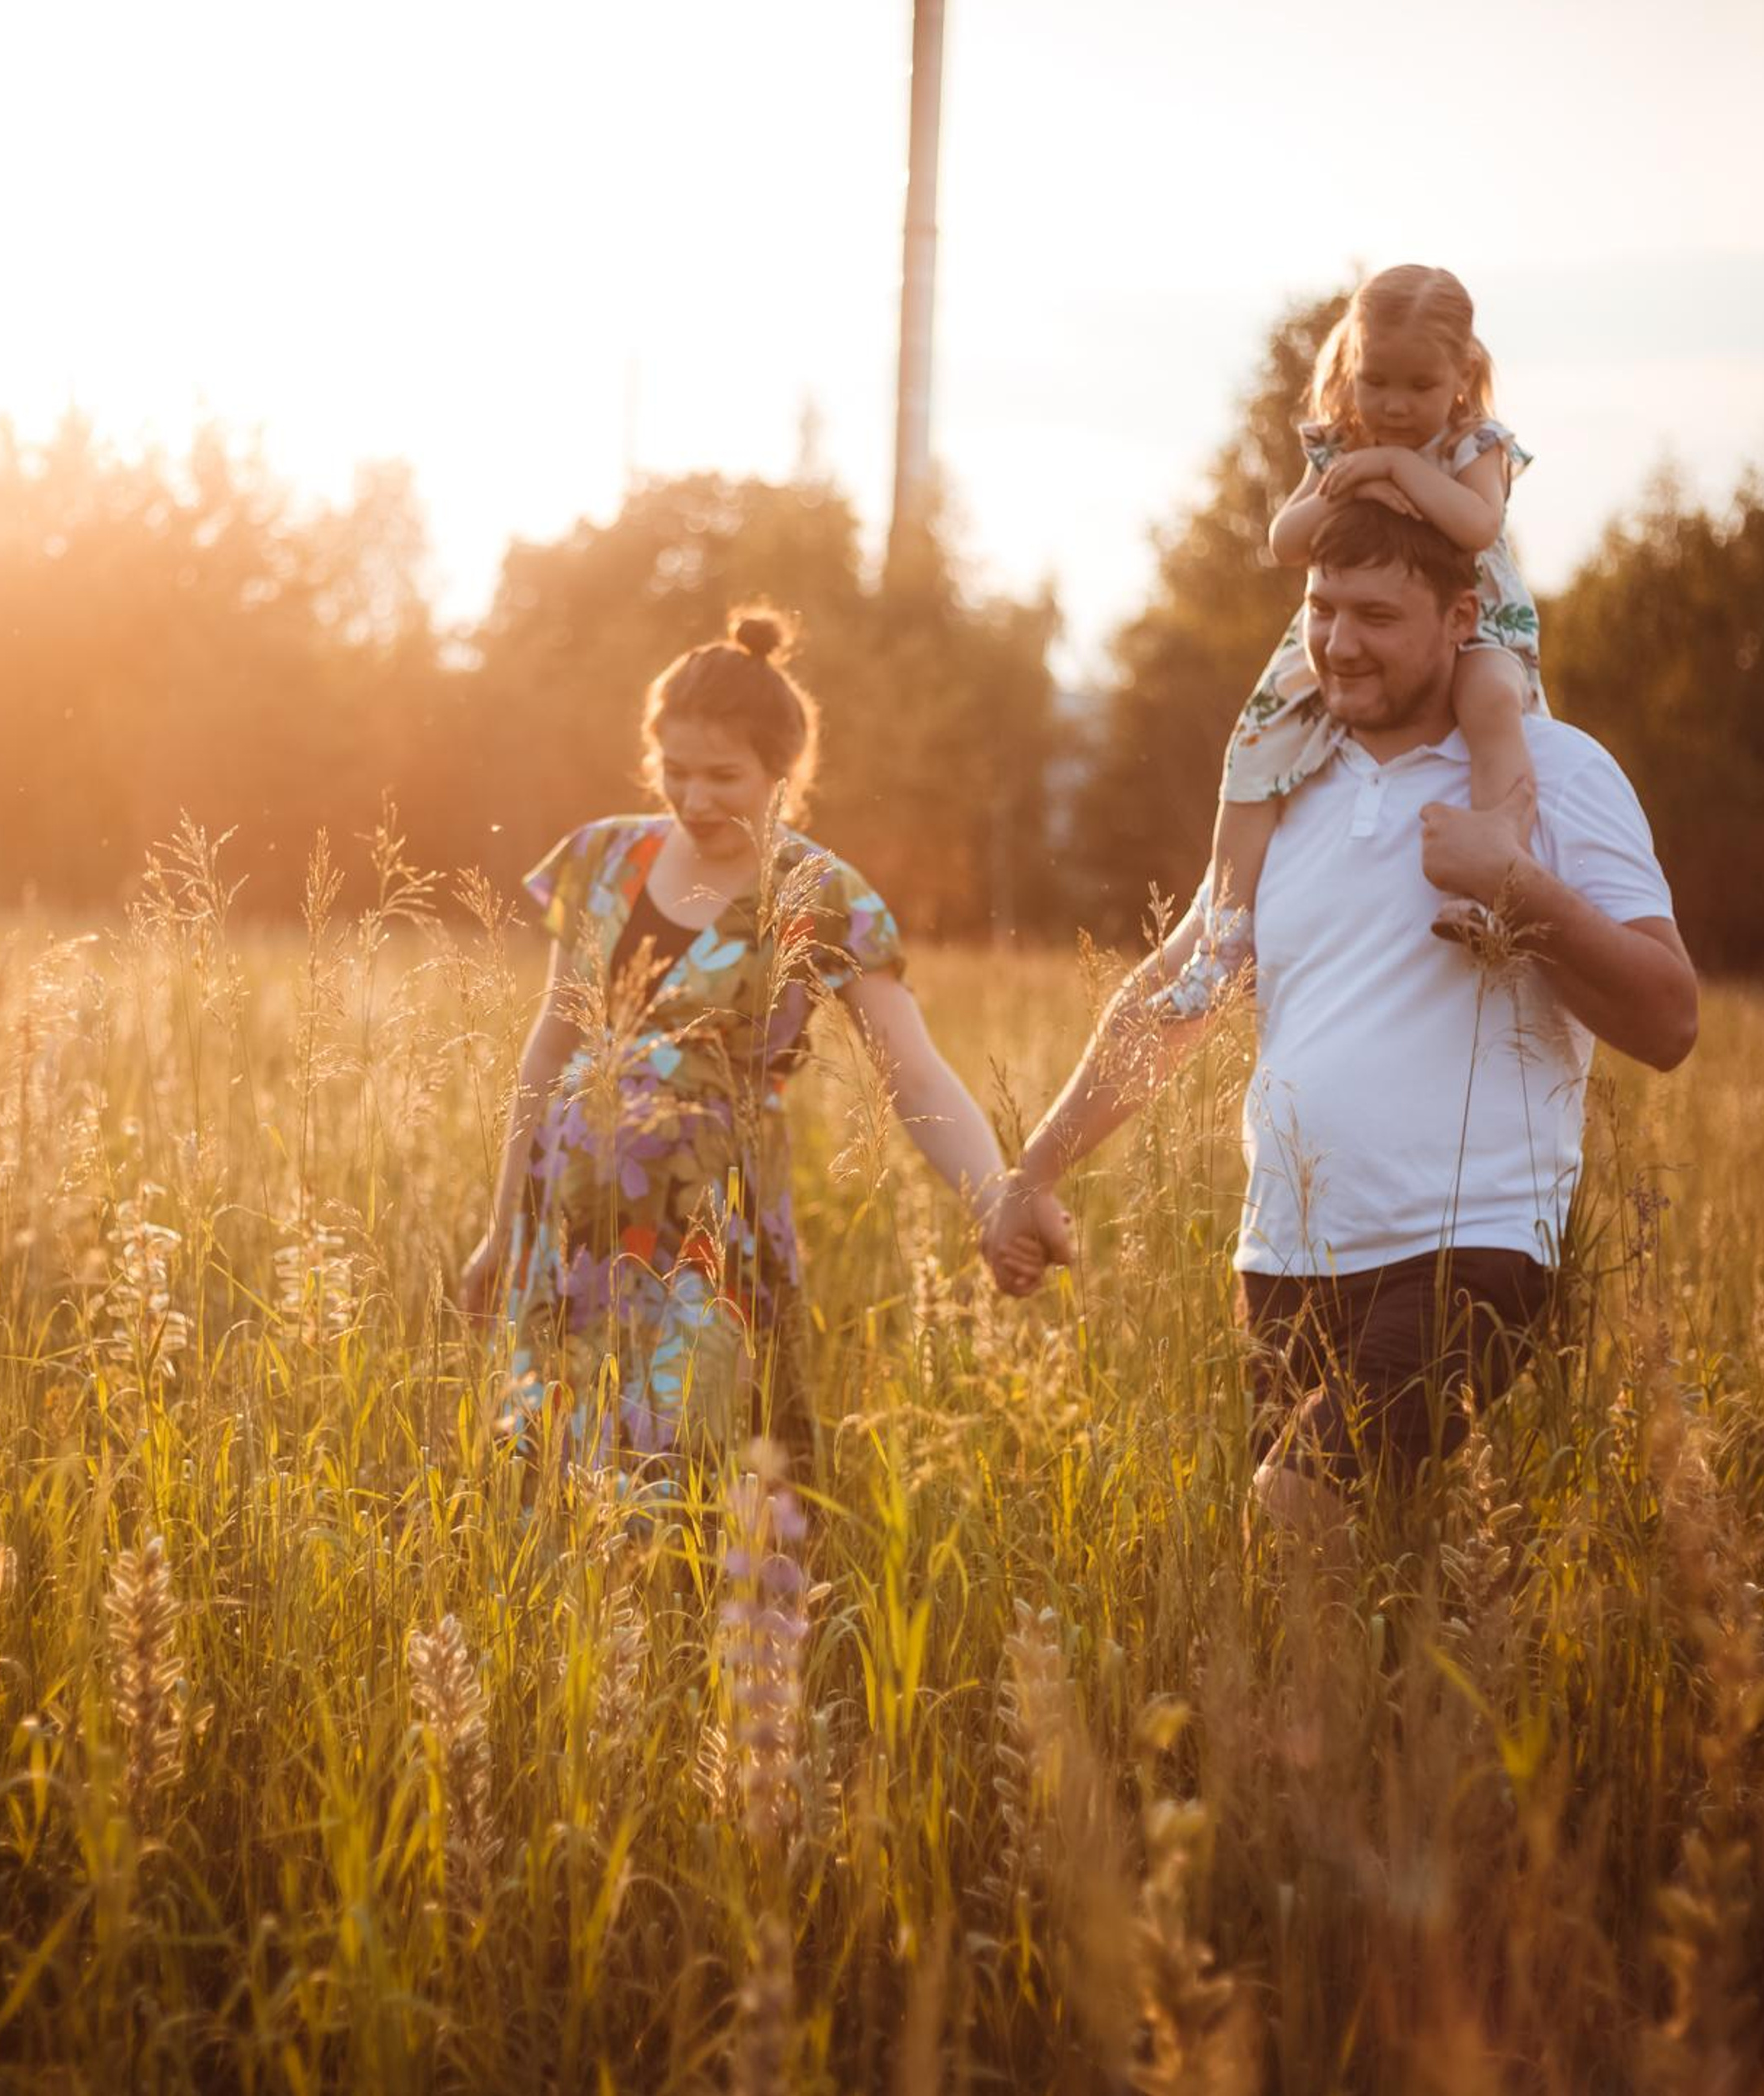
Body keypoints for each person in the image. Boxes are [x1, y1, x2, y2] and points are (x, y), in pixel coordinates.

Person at [987, 502, 1697, 1530]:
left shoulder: (1554, 773)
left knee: (1292, 1510)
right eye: (1321, 609)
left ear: (1462, 617)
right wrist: (1033, 1167)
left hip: (1471, 1248)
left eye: (1375, 614)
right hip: (1283, 1263)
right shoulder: (1284, 785)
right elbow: (1175, 998)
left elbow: (1670, 1019)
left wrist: (1515, 882)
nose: (1339, 643)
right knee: (1340, 1597)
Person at [458, 608, 1046, 1470]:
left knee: (693, 1478)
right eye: (676, 770)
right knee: (556, 1479)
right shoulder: (600, 860)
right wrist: (502, 1223)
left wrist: (994, 1198)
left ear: (783, 769)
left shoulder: (820, 893)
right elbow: (549, 1049)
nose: (694, 799)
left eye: (724, 776)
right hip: (570, 1234)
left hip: (709, 1236)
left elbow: (912, 1075)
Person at [1159, 264, 1547, 1017]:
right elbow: (1285, 541)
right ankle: (1225, 938)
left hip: (1477, 617)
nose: (1396, 406)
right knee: (1256, 741)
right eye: (1377, 383)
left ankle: (1497, 889)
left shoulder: (1475, 443)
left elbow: (1477, 526)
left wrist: (1399, 465)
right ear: (1350, 367)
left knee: (1494, 706)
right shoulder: (1342, 444)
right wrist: (1359, 479)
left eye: (1419, 386)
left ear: (1462, 375)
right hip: (1352, 617)